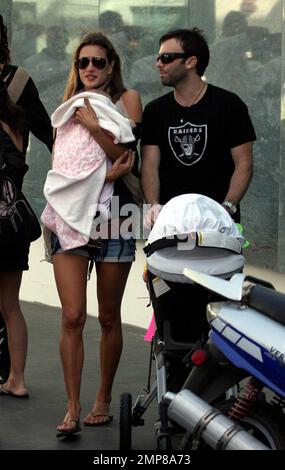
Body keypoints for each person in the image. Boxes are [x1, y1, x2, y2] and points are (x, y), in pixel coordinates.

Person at [47, 32, 142, 437]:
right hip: (70, 216)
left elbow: (125, 156)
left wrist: (93, 124)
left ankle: (103, 397)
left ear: (111, 66)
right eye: (83, 62)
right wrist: (101, 172)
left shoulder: (127, 101)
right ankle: (72, 407)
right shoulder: (66, 109)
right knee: (71, 316)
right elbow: (66, 172)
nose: (89, 68)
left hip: (115, 216)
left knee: (107, 316)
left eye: (98, 62)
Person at [141, 27, 256, 226]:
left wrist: (227, 208)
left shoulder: (229, 104)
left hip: (218, 224)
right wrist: (154, 205)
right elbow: (150, 165)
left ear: (191, 62)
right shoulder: (154, 110)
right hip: (170, 223)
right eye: (158, 57)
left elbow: (244, 163)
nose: (158, 63)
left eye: (166, 58)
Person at [0, 14, 53, 387]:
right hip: (10, 213)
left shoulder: (17, 81)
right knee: (10, 304)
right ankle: (16, 378)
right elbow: (51, 135)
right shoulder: (18, 81)